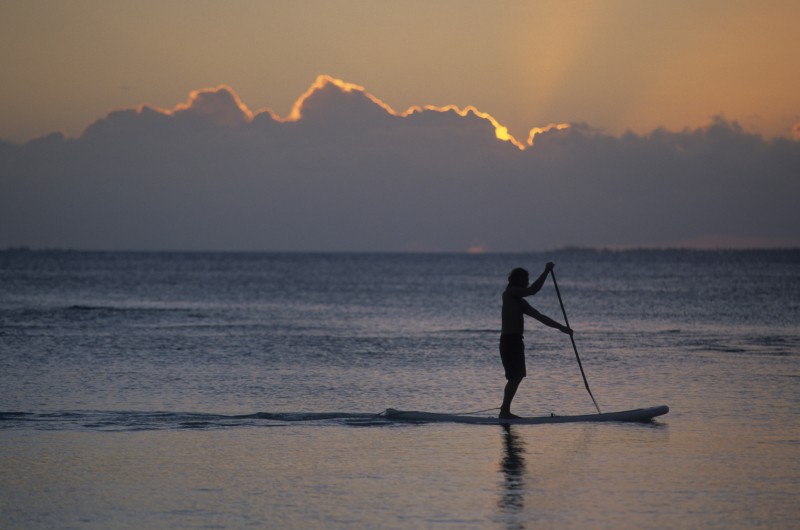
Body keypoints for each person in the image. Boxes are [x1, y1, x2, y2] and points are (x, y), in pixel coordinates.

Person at [499, 262, 572, 419]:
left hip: (516, 341)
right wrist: (546, 272)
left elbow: (540, 317)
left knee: (517, 376)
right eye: (525, 280)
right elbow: (532, 290)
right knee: (515, 376)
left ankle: (505, 411)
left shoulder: (520, 302)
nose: (527, 283)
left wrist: (562, 328)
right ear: (518, 280)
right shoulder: (510, 293)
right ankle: (504, 411)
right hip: (509, 341)